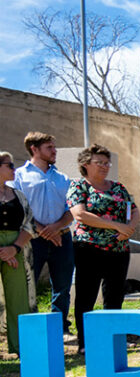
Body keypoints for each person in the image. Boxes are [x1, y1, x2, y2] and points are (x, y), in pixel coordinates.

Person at [67, 145, 139, 355]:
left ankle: (115, 339)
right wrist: (117, 226)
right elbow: (80, 215)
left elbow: (133, 211)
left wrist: (130, 228)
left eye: (107, 163)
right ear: (85, 164)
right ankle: (85, 342)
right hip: (88, 248)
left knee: (115, 296)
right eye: (100, 163)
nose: (105, 167)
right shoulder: (79, 187)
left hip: (118, 250)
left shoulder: (118, 187)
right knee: (86, 296)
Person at [13, 132, 74, 338]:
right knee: (29, 286)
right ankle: (32, 331)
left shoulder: (62, 178)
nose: (54, 151)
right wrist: (43, 230)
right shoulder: (19, 176)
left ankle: (60, 328)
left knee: (63, 286)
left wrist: (56, 228)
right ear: (34, 149)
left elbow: (70, 210)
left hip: (62, 238)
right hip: (32, 239)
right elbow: (19, 208)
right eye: (49, 147)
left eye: (54, 147)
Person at [0, 152, 35, 359]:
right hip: (6, 251)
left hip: (16, 249)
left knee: (18, 298)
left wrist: (14, 248)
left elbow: (29, 224)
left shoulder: (18, 195)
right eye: (9, 165)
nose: (14, 169)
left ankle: (21, 346)